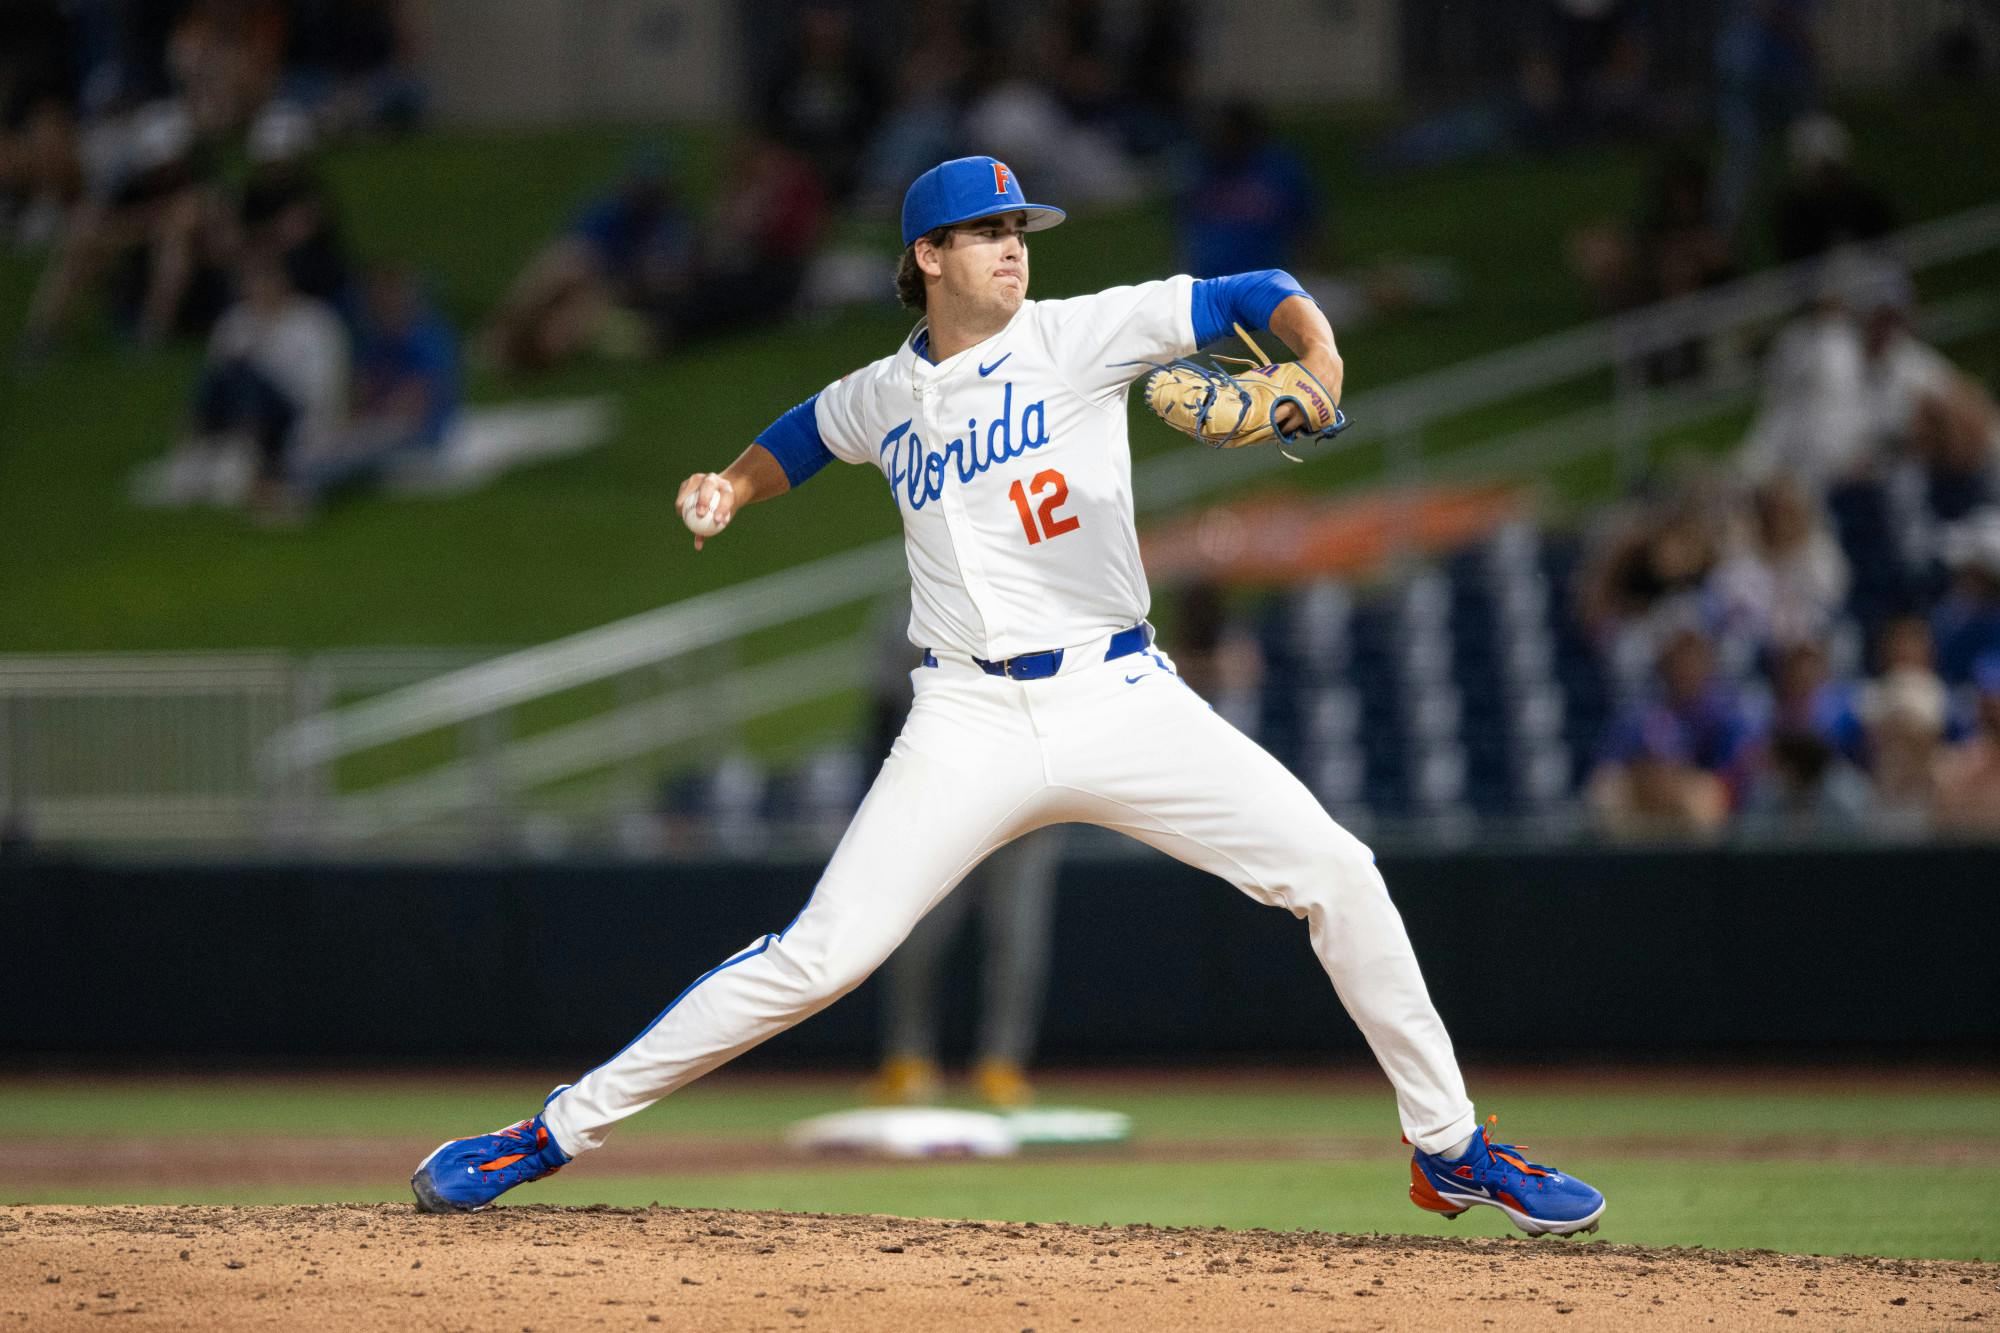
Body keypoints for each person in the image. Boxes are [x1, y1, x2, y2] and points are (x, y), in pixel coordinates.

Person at [410, 155, 1606, 1239]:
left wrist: (1318, 358)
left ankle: (1448, 1148)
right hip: (965, 720)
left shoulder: (1082, 333)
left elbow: (1255, 287)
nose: (1012, 246)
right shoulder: (886, 392)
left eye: (1018, 227)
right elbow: (807, 432)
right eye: (985, 230)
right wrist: (729, 486)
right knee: (818, 959)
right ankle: (551, 1131)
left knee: (1338, 872)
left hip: (1121, 693)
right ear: (927, 257)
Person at [861, 601, 1060, 1110]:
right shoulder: (910, 610)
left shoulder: (1039, 605)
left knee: (1017, 936)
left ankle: (1001, 1063)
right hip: (938, 800)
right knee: (918, 935)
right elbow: (884, 716)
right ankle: (908, 1059)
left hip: (1020, 800)